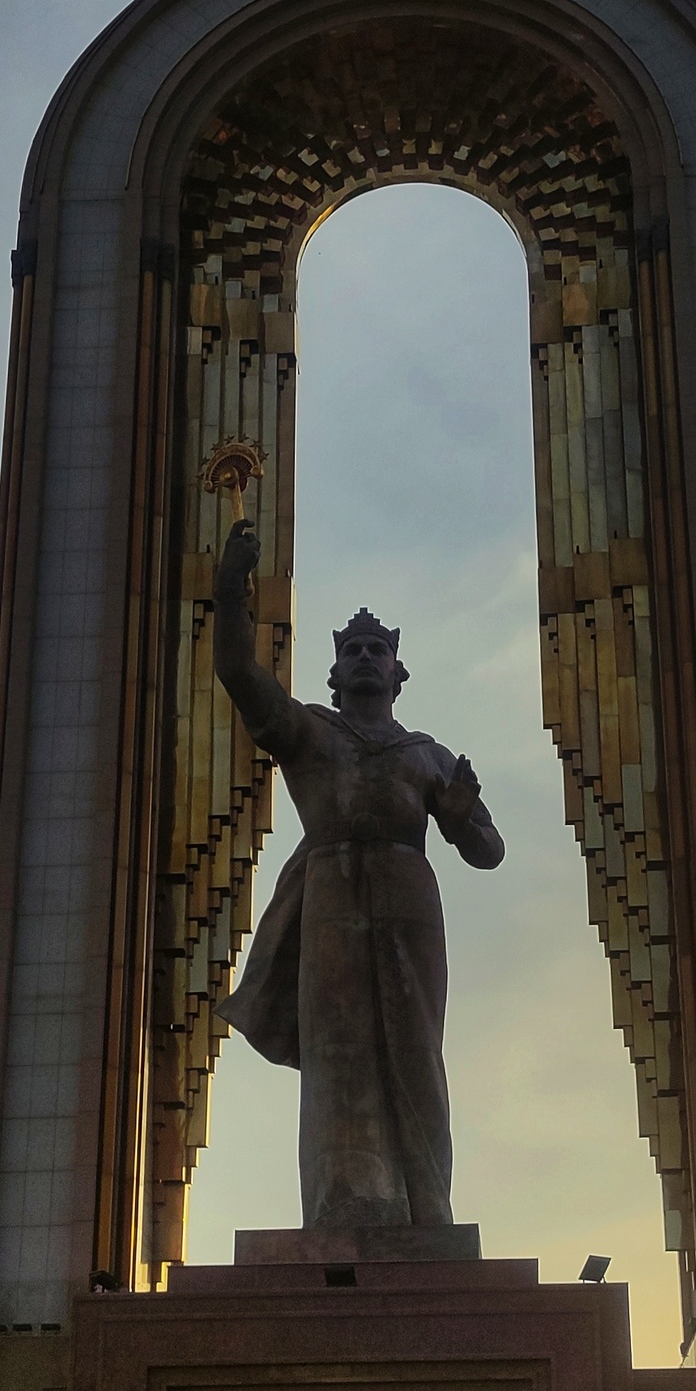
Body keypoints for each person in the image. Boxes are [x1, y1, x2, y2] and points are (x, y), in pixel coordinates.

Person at [212, 518, 504, 1228]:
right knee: (339, 1054)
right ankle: (347, 1206)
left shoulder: (427, 753)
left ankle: (428, 1208)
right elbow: (239, 674)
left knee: (414, 1054)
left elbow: (489, 851)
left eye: (378, 649)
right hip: (332, 896)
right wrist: (230, 589)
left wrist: (463, 816)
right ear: (335, 673)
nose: (367, 657)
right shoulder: (310, 730)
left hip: (410, 896)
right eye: (353, 650)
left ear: (398, 672)